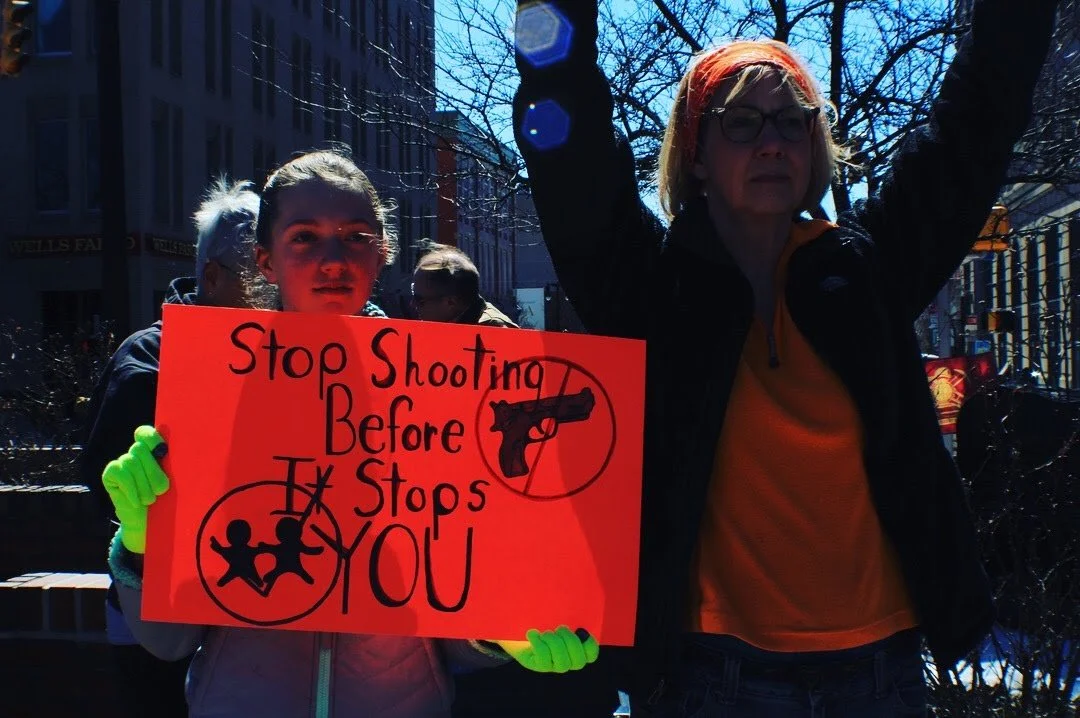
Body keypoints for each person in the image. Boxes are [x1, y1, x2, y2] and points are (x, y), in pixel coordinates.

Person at [512, 0, 1061, 715]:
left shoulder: (871, 273)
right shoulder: (647, 287)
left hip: (879, 676)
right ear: (697, 153)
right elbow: (569, 151)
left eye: (791, 120)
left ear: (815, 146)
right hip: (708, 680)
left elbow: (978, 119)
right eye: (741, 122)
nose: (771, 142)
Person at [98, 149, 599, 718]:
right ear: (265, 260)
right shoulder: (214, 396)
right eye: (305, 237)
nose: (333, 259)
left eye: (356, 236)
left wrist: (502, 630)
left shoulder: (439, 395)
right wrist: (141, 542)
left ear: (382, 253)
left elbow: (453, 628)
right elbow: (168, 641)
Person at [407, 242, 622, 718]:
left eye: (420, 300)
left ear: (453, 303)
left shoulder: (489, 348)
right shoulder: (464, 340)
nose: (413, 309)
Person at [80, 177, 262, 718]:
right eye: (263, 278)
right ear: (213, 276)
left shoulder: (278, 359)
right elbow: (104, 486)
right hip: (154, 616)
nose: (278, 293)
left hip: (240, 599)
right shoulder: (149, 361)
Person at [411, 243, 518, 327]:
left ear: (450, 302)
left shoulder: (492, 331)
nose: (412, 304)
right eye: (413, 291)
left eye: (420, 300)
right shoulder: (452, 325)